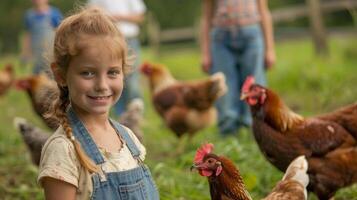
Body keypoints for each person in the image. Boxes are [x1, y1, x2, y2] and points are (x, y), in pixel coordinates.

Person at [37, 7, 159, 200]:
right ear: (60, 75)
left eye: (112, 72)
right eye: (87, 73)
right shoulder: (63, 150)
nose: (102, 85)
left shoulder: (128, 138)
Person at [200, 0, 276, 136]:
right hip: (221, 39)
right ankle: (228, 130)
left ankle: (253, 129)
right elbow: (206, 18)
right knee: (225, 85)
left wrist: (270, 48)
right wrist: (205, 53)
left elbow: (264, 11)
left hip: (251, 36)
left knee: (253, 84)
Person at [87, 0, 146, 118]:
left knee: (132, 77)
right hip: (108, 40)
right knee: (113, 76)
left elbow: (140, 17)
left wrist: (117, 16)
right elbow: (90, 13)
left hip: (130, 39)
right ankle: (122, 114)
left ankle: (136, 112)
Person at [21, 0, 63, 75]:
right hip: (36, 53)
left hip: (50, 51)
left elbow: (60, 33)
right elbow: (27, 35)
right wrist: (25, 53)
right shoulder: (29, 16)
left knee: (52, 73)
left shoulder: (54, 14)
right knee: (36, 77)